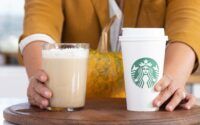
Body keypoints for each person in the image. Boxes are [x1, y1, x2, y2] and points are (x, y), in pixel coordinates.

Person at [19, 0, 199, 111]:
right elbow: (39, 24)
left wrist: (167, 88)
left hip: (147, 106)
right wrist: (42, 82)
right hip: (75, 112)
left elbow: (188, 23)